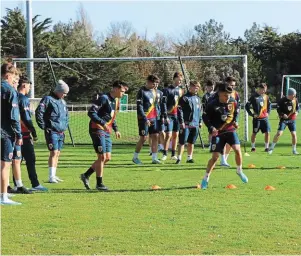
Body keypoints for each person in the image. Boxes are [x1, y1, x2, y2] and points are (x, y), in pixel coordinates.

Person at [80, 81, 127, 190]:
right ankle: (99, 184)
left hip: (106, 131)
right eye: (122, 91)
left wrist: (116, 129)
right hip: (97, 129)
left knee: (107, 158)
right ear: (115, 89)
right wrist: (103, 123)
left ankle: (86, 175)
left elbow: (111, 116)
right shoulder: (103, 98)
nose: (123, 94)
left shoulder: (116, 101)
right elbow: (91, 112)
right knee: (101, 157)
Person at [200, 83, 248, 189]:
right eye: (226, 95)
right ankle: (205, 178)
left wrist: (235, 121)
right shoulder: (212, 104)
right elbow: (205, 117)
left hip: (230, 130)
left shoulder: (233, 101)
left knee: (237, 150)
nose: (228, 97)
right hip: (218, 132)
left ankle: (239, 170)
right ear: (220, 94)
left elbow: (236, 112)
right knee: (215, 157)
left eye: (229, 95)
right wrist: (211, 127)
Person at [14, 75, 48, 191]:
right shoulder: (23, 99)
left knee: (17, 160)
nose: (29, 89)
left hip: (14, 133)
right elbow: (25, 118)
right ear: (24, 85)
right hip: (23, 134)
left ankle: (16, 184)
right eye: (29, 86)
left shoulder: (13, 97)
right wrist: (33, 132)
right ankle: (35, 184)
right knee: (30, 159)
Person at [35, 80, 69, 183]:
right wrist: (44, 126)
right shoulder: (47, 99)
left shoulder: (63, 102)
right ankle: (50, 177)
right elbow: (39, 112)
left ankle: (54, 175)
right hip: (52, 131)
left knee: (57, 153)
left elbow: (66, 115)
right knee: (53, 152)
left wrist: (65, 125)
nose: (65, 95)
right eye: (64, 93)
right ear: (58, 91)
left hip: (61, 132)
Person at [1, 63, 23, 205]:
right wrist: (19, 134)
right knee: (5, 164)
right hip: (5, 133)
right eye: (14, 77)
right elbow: (14, 116)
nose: (15, 80)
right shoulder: (10, 91)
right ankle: (3, 196)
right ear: (8, 75)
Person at [132, 75, 161, 164]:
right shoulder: (142, 91)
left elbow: (158, 105)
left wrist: (160, 116)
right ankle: (135, 157)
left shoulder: (157, 92)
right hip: (144, 119)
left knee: (155, 136)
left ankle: (154, 158)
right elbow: (139, 106)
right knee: (144, 138)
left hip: (154, 118)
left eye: (156, 83)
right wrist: (145, 118)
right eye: (153, 83)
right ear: (148, 82)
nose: (155, 85)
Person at [176, 80, 202, 164]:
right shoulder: (184, 98)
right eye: (195, 87)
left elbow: (200, 110)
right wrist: (181, 122)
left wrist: (200, 121)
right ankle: (179, 158)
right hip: (186, 124)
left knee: (191, 142)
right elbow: (179, 111)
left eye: (197, 87)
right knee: (182, 141)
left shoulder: (198, 98)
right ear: (190, 87)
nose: (196, 88)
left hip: (195, 124)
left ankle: (189, 158)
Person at [268, 88, 299, 155]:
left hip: (292, 120)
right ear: (290, 95)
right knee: (279, 133)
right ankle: (271, 148)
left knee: (294, 134)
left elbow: (297, 109)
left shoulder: (295, 100)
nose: (294, 96)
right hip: (284, 120)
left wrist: (296, 113)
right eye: (293, 95)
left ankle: (294, 150)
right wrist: (282, 114)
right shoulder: (282, 100)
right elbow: (278, 110)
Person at [161, 72, 184, 161]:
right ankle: (165, 153)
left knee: (176, 135)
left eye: (181, 80)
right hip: (169, 115)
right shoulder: (166, 90)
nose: (179, 82)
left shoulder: (181, 91)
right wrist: (165, 115)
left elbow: (181, 106)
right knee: (168, 135)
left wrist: (182, 119)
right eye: (178, 80)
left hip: (177, 116)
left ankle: (173, 154)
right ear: (174, 79)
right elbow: (163, 104)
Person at [220, 76, 240, 167]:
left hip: (231, 121)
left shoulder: (235, 94)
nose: (232, 87)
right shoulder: (220, 93)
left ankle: (224, 159)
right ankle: (222, 159)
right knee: (223, 141)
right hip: (221, 121)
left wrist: (236, 120)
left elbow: (237, 108)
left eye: (234, 86)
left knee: (230, 142)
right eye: (231, 85)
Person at [245, 83, 271, 152]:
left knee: (267, 132)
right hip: (257, 119)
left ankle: (266, 147)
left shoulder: (266, 97)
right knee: (254, 133)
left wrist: (268, 112)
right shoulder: (253, 97)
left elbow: (269, 105)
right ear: (259, 89)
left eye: (265, 90)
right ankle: (253, 147)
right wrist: (252, 114)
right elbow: (247, 106)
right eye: (263, 90)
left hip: (265, 118)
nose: (264, 91)